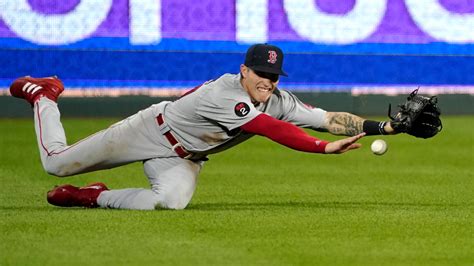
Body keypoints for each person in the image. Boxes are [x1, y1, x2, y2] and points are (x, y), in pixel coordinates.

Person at [10, 43, 398, 210]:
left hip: (184, 157)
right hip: (149, 131)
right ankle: (44, 96)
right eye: (261, 72)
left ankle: (92, 197)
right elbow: (269, 128)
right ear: (244, 70)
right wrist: (321, 149)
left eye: (274, 74)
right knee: (55, 164)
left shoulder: (279, 98)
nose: (268, 80)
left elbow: (329, 119)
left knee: (169, 204)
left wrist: (388, 126)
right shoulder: (225, 92)